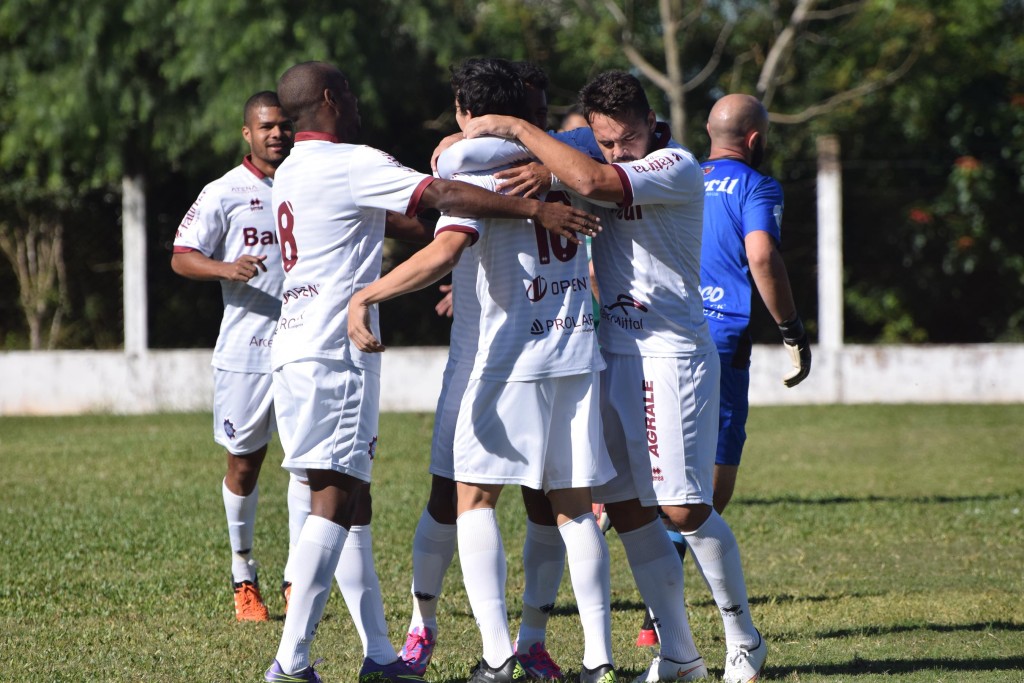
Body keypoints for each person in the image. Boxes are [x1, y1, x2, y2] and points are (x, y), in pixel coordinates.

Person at [262, 60, 599, 683]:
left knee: (351, 500)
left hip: (292, 345)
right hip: (336, 350)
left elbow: (427, 193)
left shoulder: (288, 171)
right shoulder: (349, 159)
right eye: (354, 93)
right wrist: (535, 208)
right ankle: (291, 662)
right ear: (332, 100)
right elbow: (440, 198)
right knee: (333, 502)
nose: (362, 103)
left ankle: (384, 656)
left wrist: (460, 151)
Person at [464, 70, 768, 683]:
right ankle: (681, 656)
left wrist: (527, 133)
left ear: (650, 122)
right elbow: (513, 161)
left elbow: (597, 181)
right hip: (611, 352)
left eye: (627, 138)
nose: (617, 151)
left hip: (671, 355)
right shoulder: (588, 156)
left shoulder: (676, 164)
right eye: (604, 141)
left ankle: (745, 639)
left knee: (682, 509)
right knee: (629, 509)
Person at [402, 60, 588, 682]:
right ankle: (427, 628)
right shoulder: (576, 155)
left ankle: (505, 649)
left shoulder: (465, 158)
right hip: (552, 350)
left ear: (463, 107)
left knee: (472, 498)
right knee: (540, 503)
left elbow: (449, 228)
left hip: (493, 356)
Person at [171, 91, 304, 623]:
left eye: (285, 126)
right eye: (266, 126)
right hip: (246, 350)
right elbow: (183, 257)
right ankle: (243, 573)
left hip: (304, 345)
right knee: (244, 465)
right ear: (247, 133)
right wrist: (226, 269)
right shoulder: (223, 191)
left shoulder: (308, 181)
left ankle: (298, 579)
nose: (277, 134)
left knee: (306, 467)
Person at [701, 93, 811, 512]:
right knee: (709, 496)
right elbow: (761, 255)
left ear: (709, 132)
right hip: (720, 339)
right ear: (753, 140)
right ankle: (670, 573)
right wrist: (792, 331)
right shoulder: (757, 186)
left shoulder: (676, 179)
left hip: (662, 330)